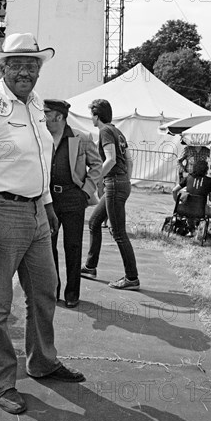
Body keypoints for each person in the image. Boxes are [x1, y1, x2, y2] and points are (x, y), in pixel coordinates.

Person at [0, 32, 85, 416]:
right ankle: (0, 381)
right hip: (0, 211)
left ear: (39, 69)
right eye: (18, 64)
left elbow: (40, 162)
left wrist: (45, 205)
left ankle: (42, 362)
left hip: (35, 213)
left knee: (45, 290)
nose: (26, 71)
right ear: (2, 66)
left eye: (33, 64)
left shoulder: (36, 106)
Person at [44, 99, 101, 308]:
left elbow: (97, 165)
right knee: (48, 246)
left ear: (59, 116)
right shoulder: (42, 137)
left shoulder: (81, 137)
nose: (43, 116)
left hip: (73, 198)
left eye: (46, 113)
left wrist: (85, 192)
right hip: (48, 199)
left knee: (73, 246)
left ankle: (72, 293)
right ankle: (53, 290)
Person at [81, 99, 140, 290]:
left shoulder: (105, 131)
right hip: (121, 182)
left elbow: (111, 159)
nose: (91, 117)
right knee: (94, 222)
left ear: (97, 116)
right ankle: (90, 267)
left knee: (118, 233)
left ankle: (132, 278)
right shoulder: (118, 131)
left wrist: (98, 179)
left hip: (115, 183)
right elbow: (128, 161)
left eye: (91, 114)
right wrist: (126, 181)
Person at [172, 159, 211, 238]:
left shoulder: (188, 177)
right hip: (201, 210)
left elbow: (174, 190)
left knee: (190, 213)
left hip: (185, 209)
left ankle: (192, 231)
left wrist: (178, 203)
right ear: (206, 169)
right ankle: (210, 235)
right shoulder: (210, 181)